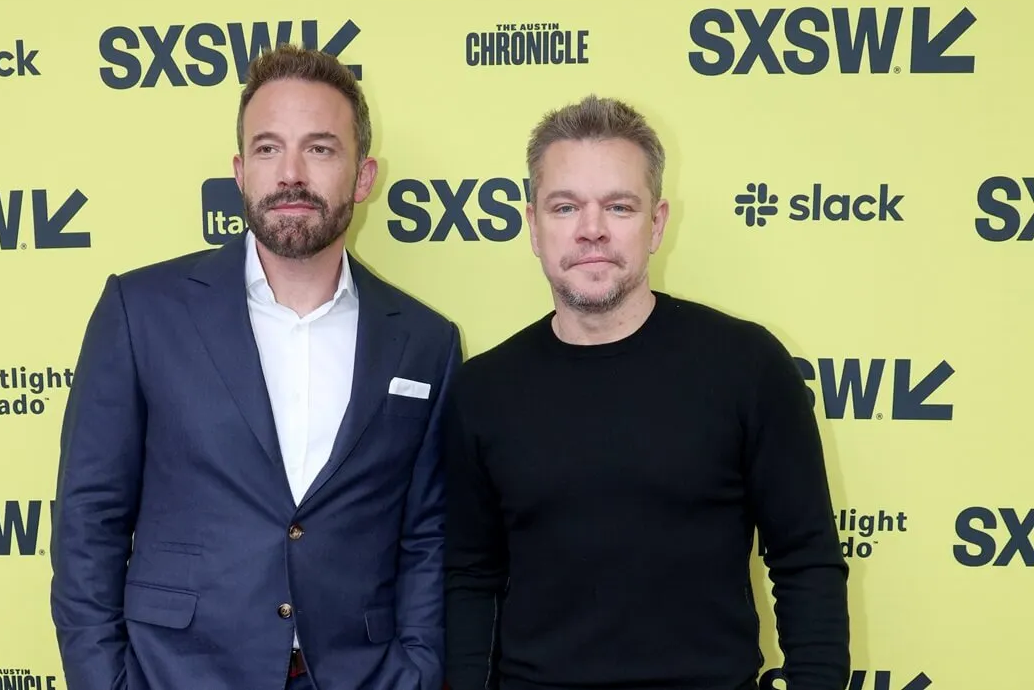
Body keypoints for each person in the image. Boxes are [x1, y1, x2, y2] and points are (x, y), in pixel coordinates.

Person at [50, 45, 461, 690]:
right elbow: (88, 521)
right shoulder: (142, 312)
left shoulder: (426, 342)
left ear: (363, 176)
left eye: (321, 149)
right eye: (269, 149)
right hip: (176, 676)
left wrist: (417, 670)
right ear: (240, 171)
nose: (291, 174)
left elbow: (427, 537)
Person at [442, 95, 850, 690]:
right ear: (533, 226)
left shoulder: (747, 366)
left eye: (619, 206)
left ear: (656, 223)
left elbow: (805, 559)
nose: (592, 230)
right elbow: (470, 578)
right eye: (565, 206)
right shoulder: (482, 389)